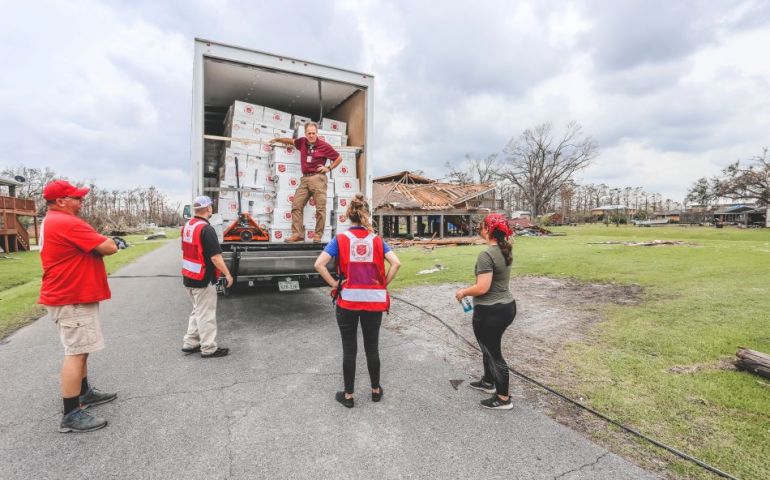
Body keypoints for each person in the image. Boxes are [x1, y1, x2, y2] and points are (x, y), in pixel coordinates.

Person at [39, 180, 119, 433]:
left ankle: (84, 393)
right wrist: (102, 244)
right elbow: (110, 246)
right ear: (61, 201)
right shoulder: (66, 222)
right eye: (76, 198)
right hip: (71, 297)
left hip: (71, 295)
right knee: (75, 352)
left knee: (82, 349)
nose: (81, 201)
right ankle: (71, 413)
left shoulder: (53, 219)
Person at [314, 194, 400, 408]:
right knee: (372, 347)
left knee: (349, 348)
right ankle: (375, 390)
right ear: (366, 214)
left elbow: (319, 264)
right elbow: (396, 264)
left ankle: (349, 395)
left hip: (348, 301)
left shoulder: (341, 239)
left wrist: (335, 285)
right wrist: (383, 284)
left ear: (348, 216)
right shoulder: (376, 240)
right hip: (374, 301)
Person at [455, 214, 517, 410]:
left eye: (481, 226)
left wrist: (463, 292)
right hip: (506, 307)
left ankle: (503, 398)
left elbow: (482, 288)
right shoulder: (503, 250)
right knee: (487, 347)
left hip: (491, 312)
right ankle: (488, 382)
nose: (479, 228)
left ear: (489, 231)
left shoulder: (486, 255)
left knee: (493, 352)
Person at [271, 122, 343, 243]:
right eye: (309, 133)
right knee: (296, 205)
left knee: (320, 208)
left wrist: (328, 168)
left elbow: (339, 158)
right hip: (304, 179)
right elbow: (291, 141)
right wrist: (277, 139)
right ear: (305, 133)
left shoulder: (324, 146)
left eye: (313, 133)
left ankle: (317, 236)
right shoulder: (302, 142)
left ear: (317, 133)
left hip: (318, 178)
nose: (311, 135)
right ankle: (297, 234)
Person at [181, 195, 233, 358]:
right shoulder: (206, 229)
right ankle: (208, 348)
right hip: (202, 278)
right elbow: (215, 257)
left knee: (197, 311)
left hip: (189, 276)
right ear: (208, 209)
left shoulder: (188, 225)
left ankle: (190, 343)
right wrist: (227, 273)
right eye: (211, 207)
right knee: (206, 314)